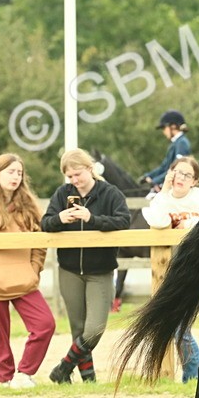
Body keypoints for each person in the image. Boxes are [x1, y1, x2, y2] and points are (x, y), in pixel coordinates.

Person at [0, 153, 56, 388]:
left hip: (24, 279)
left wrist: (35, 268)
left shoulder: (29, 204)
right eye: (10, 172)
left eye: (19, 172)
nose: (15, 177)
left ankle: (24, 374)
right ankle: (4, 379)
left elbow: (40, 241)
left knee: (45, 324)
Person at [41, 148, 132, 383]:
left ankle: (63, 367)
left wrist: (91, 219)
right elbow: (45, 223)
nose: (74, 181)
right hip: (69, 269)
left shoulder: (110, 193)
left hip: (100, 270)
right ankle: (88, 378)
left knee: (95, 329)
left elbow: (123, 220)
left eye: (78, 174)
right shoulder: (62, 194)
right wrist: (59, 219)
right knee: (78, 328)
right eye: (70, 177)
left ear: (90, 169)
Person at [141, 155, 199, 382]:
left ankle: (195, 369)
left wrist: (190, 225)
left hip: (197, 266)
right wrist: (164, 192)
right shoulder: (162, 199)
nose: (181, 178)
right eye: (177, 172)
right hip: (169, 268)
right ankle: (196, 371)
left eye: (187, 175)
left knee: (179, 324)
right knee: (175, 323)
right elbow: (157, 221)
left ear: (194, 181)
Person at [140, 110, 193, 194]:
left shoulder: (182, 143)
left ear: (173, 126)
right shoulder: (175, 143)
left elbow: (177, 170)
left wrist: (155, 181)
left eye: (164, 128)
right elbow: (164, 167)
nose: (163, 131)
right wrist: (149, 176)